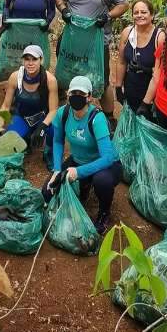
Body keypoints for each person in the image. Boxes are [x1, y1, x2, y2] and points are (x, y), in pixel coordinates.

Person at [55, 0, 128, 129]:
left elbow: (124, 4)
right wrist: (63, 10)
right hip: (73, 37)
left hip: (97, 41)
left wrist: (108, 16)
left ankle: (110, 117)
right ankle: (64, 102)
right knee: (68, 69)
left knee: (101, 80)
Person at [41, 76, 122, 235]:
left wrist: (78, 172)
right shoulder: (62, 113)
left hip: (106, 166)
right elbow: (58, 142)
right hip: (78, 161)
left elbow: (107, 157)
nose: (76, 97)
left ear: (89, 97)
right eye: (73, 93)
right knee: (47, 191)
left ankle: (104, 213)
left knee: (102, 181)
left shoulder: (96, 118)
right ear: (68, 94)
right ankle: (84, 185)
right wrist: (57, 169)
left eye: (81, 93)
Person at [1, 45, 58, 168]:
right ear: (23, 61)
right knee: (9, 145)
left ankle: (49, 152)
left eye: (34, 59)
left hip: (42, 117)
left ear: (41, 60)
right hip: (22, 116)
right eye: (27, 59)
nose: (30, 63)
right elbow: (6, 106)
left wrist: (43, 126)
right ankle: (26, 139)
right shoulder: (15, 77)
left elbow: (53, 110)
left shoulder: (50, 80)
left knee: (55, 128)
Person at [115, 0, 164, 111]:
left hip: (152, 95)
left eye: (143, 12)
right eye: (136, 13)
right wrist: (118, 87)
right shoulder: (127, 33)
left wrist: (146, 69)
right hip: (131, 89)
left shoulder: (159, 37)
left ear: (151, 15)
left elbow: (162, 71)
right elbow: (121, 61)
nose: (139, 15)